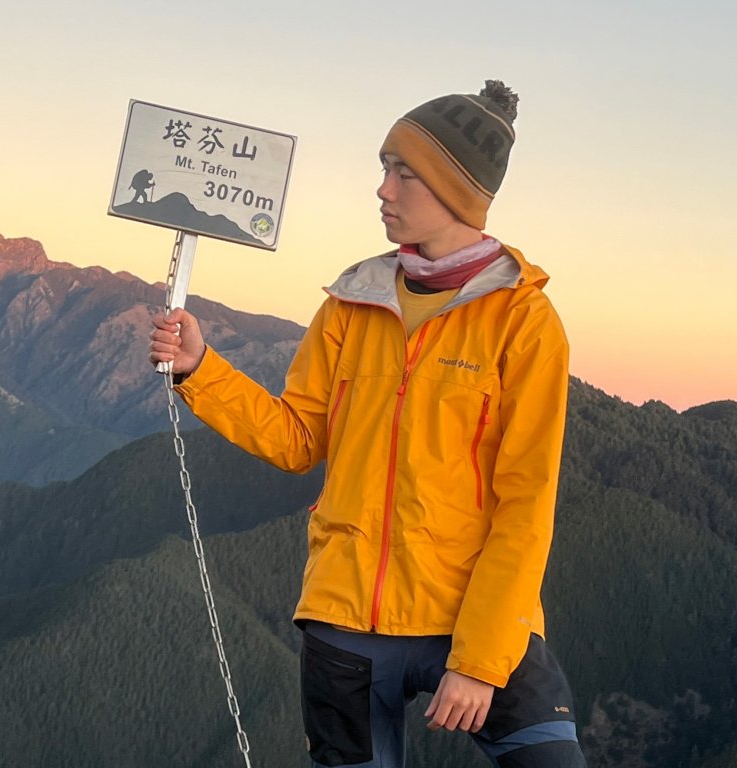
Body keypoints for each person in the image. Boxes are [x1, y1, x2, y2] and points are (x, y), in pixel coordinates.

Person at [149, 80, 586, 768]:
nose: (382, 188)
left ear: (456, 188)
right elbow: (298, 440)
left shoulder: (523, 322)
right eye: (384, 168)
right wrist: (201, 368)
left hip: (474, 620)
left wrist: (478, 660)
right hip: (344, 623)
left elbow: (526, 505)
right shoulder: (350, 305)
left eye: (402, 171)